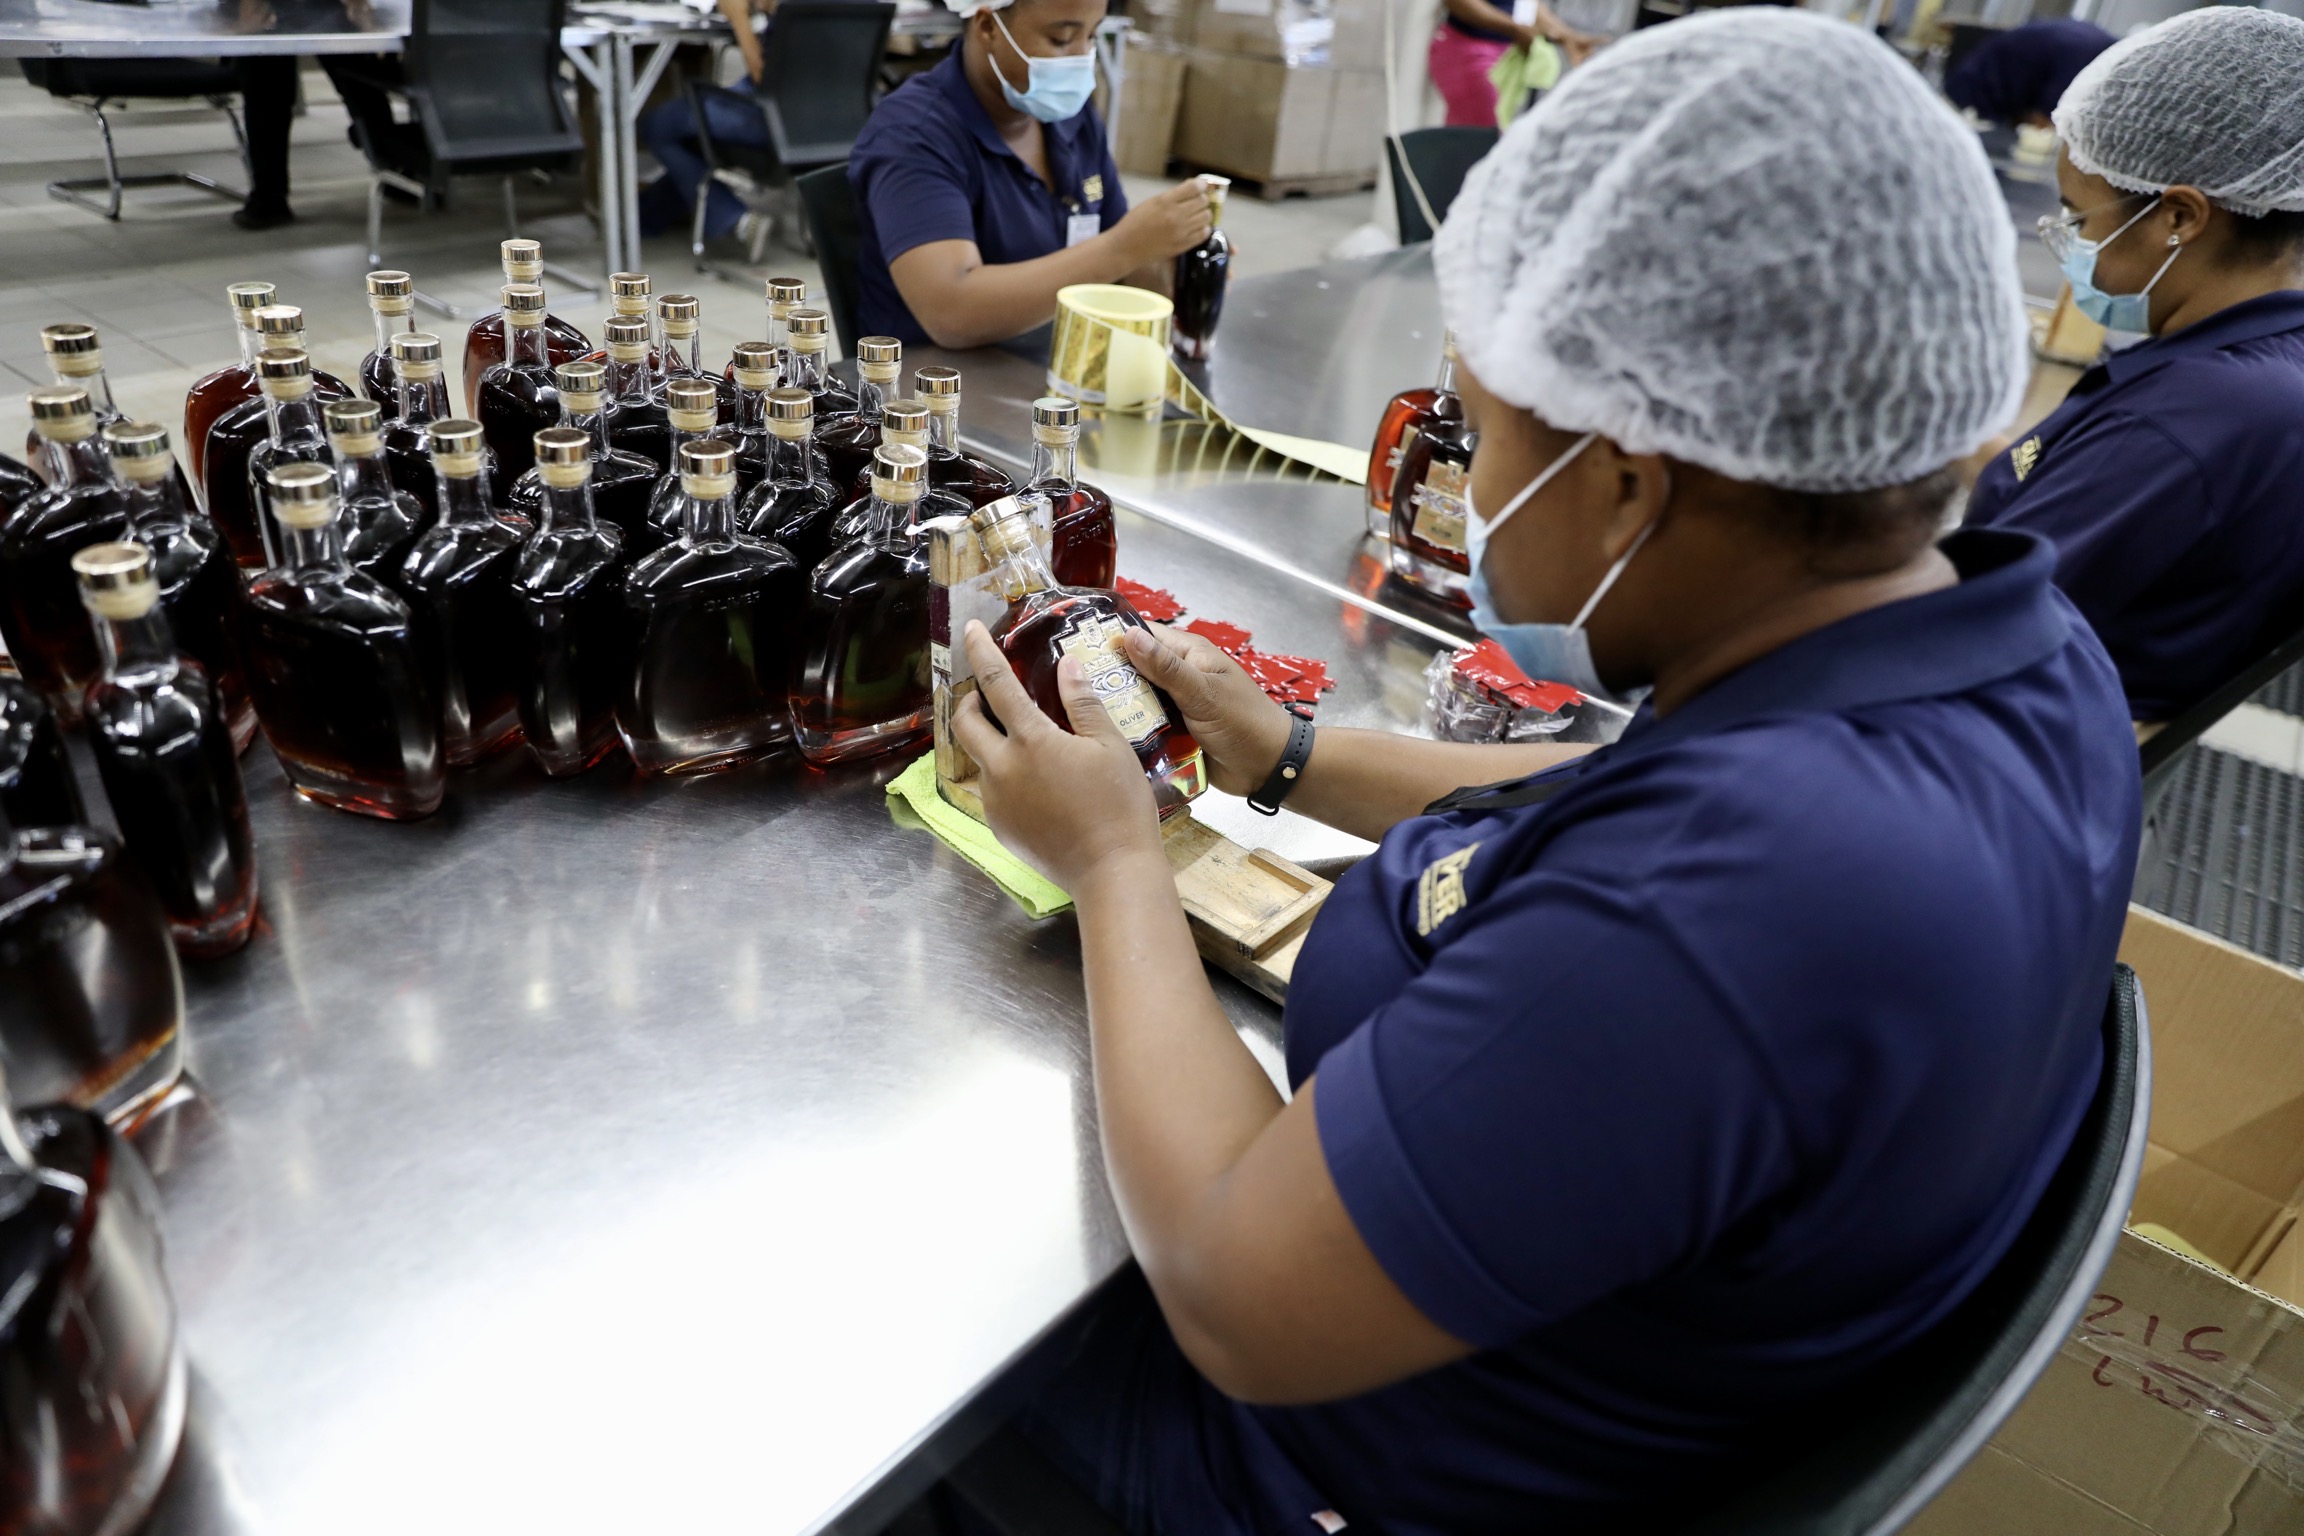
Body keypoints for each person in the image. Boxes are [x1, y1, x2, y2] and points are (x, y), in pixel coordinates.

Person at [944, 10, 2140, 1531]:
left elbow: (1235, 1298)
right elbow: (1612, 791)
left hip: (1313, 1466)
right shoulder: (2023, 659)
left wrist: (1115, 860)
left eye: (1495, 432)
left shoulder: (1716, 921)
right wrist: (1294, 752)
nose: (1474, 479)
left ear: (1629, 479)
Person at [1966, 7, 2304, 725]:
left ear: (2179, 217)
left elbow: (1967, 624)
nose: (2070, 241)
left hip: (2018, 729)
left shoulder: (2191, 419)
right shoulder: (2258, 367)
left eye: (2079, 217)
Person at [846, 0, 1215, 350]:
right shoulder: (913, 134)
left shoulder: (1072, 118)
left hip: (1050, 358)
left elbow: (1121, 267)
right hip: (936, 383)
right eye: (1061, 39)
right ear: (988, 26)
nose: (1082, 59)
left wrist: (1170, 257)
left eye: (1091, 36)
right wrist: (1124, 248)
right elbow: (951, 311)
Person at [637, 0, 783, 255]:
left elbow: (766, 77)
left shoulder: (797, 11)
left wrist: (739, 19)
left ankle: (736, 220)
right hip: (829, 125)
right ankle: (646, 217)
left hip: (767, 117)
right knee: (691, 139)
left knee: (658, 125)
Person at [1427, 0, 1598, 128]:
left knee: (1487, 133)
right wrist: (1514, 28)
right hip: (1469, 49)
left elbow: (1527, 4)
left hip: (1505, 53)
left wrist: (1566, 36)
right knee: (1480, 137)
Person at [1942, 17, 2114, 130]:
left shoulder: (2094, 40)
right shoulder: (2085, 55)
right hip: (1978, 98)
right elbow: (2047, 116)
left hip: (1982, 78)